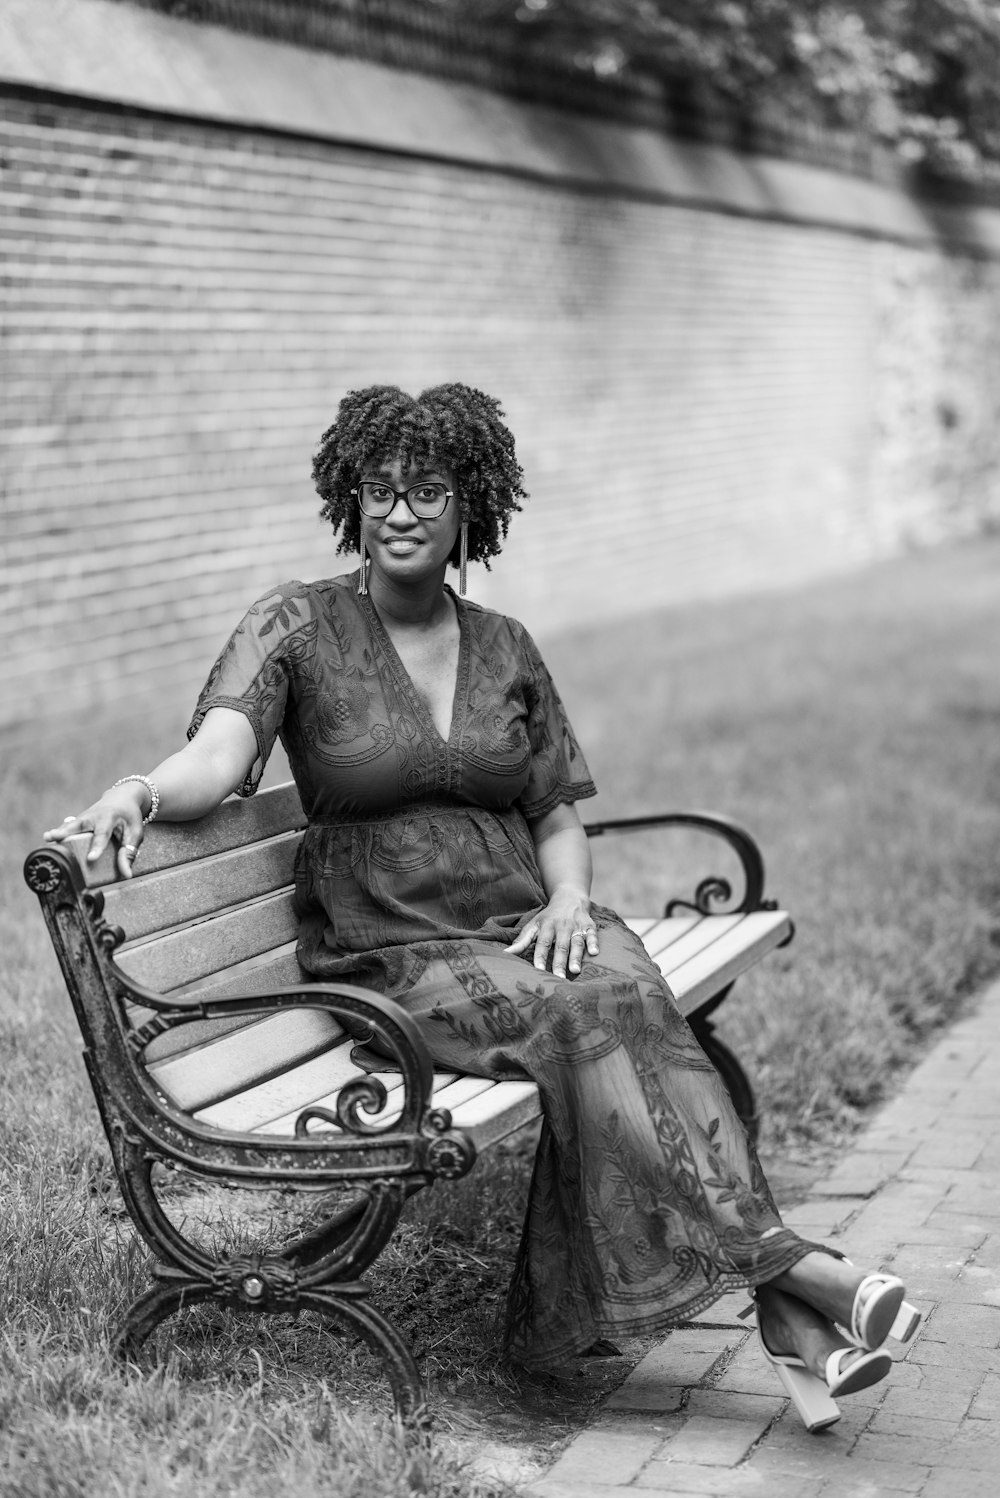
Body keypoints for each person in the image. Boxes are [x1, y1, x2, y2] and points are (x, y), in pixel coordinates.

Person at [45, 383, 913, 1429]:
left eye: (428, 490)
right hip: (392, 950)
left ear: (472, 507)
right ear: (349, 500)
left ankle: (788, 1313)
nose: (400, 511)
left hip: (523, 922)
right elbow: (220, 752)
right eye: (379, 490)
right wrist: (140, 789)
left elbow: (551, 811)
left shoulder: (505, 644)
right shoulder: (297, 623)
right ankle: (802, 1276)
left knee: (624, 998)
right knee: (588, 1019)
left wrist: (572, 901)